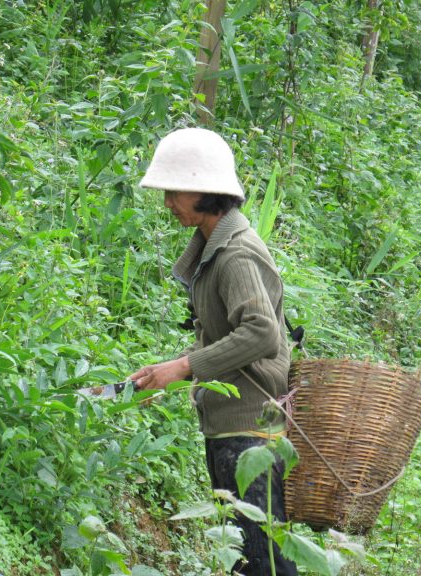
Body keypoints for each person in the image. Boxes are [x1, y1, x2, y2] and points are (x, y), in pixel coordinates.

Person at [129, 127, 298, 576]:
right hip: (231, 431)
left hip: (251, 434)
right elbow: (227, 336)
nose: (167, 202)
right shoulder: (214, 250)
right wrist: (168, 371)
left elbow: (262, 333)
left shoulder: (237, 254)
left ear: (206, 190)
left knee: (265, 564)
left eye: (173, 190)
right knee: (249, 559)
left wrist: (185, 366)